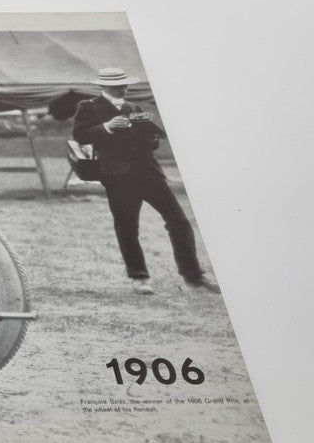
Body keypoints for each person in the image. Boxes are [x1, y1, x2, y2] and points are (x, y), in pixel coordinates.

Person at [72, 67, 219, 295]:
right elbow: (80, 135)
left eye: (124, 84)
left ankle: (193, 277)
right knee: (127, 226)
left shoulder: (134, 108)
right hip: (117, 176)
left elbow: (149, 144)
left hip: (149, 172)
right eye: (117, 85)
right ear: (103, 86)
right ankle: (139, 278)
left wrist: (151, 136)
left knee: (179, 221)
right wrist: (108, 127)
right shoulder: (88, 106)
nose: (123, 89)